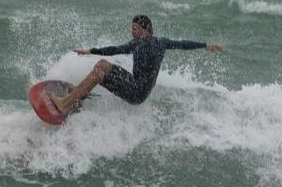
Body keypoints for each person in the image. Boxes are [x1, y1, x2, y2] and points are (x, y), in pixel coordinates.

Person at [50, 14, 223, 114]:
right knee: (103, 66)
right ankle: (78, 96)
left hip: (135, 92)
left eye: (136, 29)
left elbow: (115, 49)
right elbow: (183, 44)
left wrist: (90, 51)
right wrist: (205, 45)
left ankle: (65, 103)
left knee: (101, 67)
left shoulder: (139, 43)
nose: (132, 32)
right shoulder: (162, 42)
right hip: (141, 91)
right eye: (132, 29)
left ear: (146, 30)